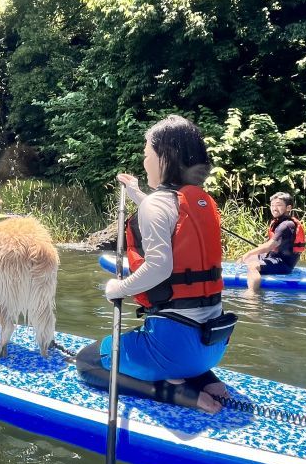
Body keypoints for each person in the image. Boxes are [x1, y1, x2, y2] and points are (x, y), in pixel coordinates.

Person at [75, 115, 236, 414]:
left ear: (165, 156)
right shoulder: (202, 201)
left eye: (147, 151)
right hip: (214, 343)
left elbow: (160, 267)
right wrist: (137, 192)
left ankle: (176, 393)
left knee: (87, 362)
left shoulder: (158, 204)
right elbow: (164, 214)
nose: (144, 158)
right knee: (177, 337)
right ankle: (206, 380)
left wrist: (117, 288)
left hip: (175, 348)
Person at [236, 192, 306, 293]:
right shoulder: (279, 222)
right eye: (272, 205)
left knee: (252, 266)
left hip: (283, 264)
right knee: (249, 259)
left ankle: (252, 294)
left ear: (288, 208)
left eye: (279, 205)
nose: (274, 208)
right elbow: (273, 244)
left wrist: (248, 253)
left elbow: (270, 245)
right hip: (274, 257)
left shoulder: (286, 225)